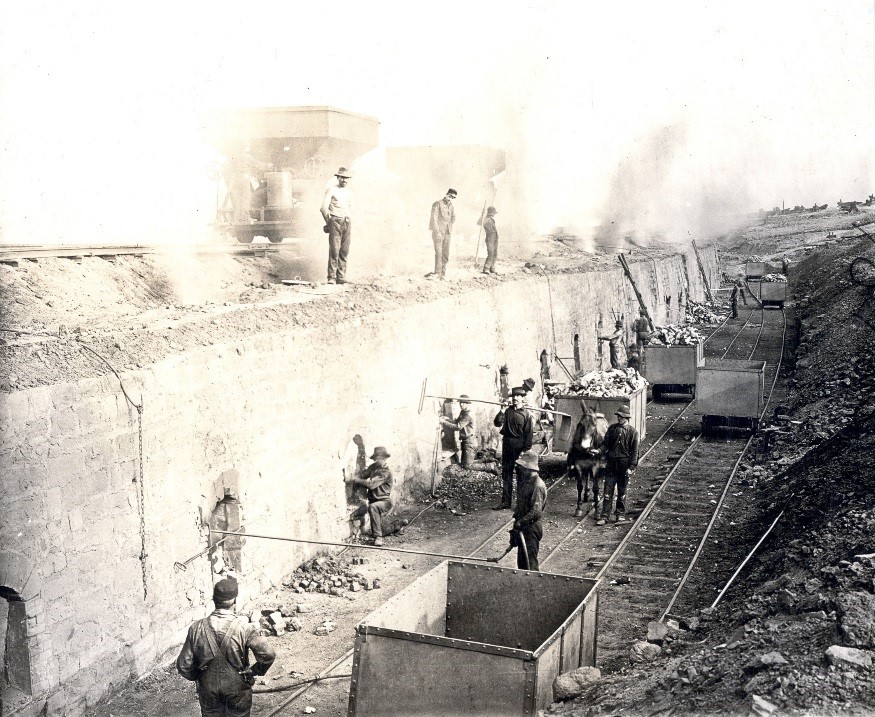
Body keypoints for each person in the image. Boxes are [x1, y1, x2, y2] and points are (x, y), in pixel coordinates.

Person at [177, 577, 276, 717]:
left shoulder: (196, 628)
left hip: (208, 689)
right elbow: (268, 654)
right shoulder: (244, 628)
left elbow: (183, 665)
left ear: (214, 600)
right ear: (234, 601)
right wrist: (254, 671)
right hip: (237, 688)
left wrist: (200, 677)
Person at [488, 452, 546, 570]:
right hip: (524, 527)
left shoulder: (537, 485)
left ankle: (531, 587)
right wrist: (516, 523)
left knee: (530, 566)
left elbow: (536, 512)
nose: (519, 470)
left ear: (528, 468)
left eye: (521, 467)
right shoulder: (526, 482)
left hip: (531, 529)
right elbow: (521, 507)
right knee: (522, 564)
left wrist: (520, 523)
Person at [597, 406, 639, 525]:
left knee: (622, 491)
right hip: (611, 465)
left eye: (622, 417)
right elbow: (605, 444)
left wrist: (631, 467)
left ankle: (620, 514)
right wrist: (599, 451)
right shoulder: (612, 429)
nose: (619, 418)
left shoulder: (633, 432)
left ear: (627, 418)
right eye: (618, 416)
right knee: (607, 491)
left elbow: (635, 451)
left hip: (623, 466)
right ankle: (604, 516)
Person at [492, 387, 533, 510]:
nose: (515, 398)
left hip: (519, 446)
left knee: (521, 475)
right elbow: (497, 423)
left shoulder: (527, 414)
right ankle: (505, 502)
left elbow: (529, 434)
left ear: (522, 398)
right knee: (506, 474)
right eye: (514, 396)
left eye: (518, 396)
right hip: (507, 445)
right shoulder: (507, 412)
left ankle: (521, 503)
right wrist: (501, 411)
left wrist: (525, 451)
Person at [567, 402, 607, 518]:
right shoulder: (581, 429)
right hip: (581, 454)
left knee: (595, 477)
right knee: (578, 475)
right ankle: (579, 504)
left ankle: (596, 505)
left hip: (594, 456)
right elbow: (575, 444)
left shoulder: (598, 434)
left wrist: (598, 450)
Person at [349, 446, 393, 546]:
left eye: (379, 459)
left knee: (373, 507)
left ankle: (378, 537)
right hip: (374, 501)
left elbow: (371, 484)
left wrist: (353, 479)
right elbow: (363, 475)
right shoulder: (374, 467)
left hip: (385, 501)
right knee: (384, 526)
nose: (377, 461)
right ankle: (398, 525)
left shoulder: (385, 472)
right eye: (375, 459)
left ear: (384, 459)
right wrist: (354, 475)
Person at [321, 167, 353, 285]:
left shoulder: (350, 192)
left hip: (347, 222)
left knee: (344, 250)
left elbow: (350, 208)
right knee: (335, 249)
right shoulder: (332, 190)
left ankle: (341, 277)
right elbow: (323, 208)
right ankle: (332, 278)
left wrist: (349, 219)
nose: (344, 180)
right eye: (342, 177)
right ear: (338, 177)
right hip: (335, 221)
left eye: (346, 178)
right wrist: (328, 223)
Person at [224, 147, 272, 224]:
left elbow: (226, 167)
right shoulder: (246, 156)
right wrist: (268, 165)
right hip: (244, 178)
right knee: (245, 198)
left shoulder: (233, 157)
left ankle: (237, 219)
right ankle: (245, 218)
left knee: (236, 199)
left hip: (235, 179)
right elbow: (257, 164)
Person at [427, 188, 457, 279]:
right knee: (439, 253)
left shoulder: (451, 206)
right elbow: (434, 219)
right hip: (438, 233)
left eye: (453, 198)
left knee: (445, 254)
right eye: (450, 196)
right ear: (447, 194)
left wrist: (449, 226)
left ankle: (443, 274)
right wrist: (437, 231)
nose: (451, 199)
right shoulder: (437, 204)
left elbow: (453, 218)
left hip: (448, 233)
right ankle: (437, 273)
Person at [439, 395, 476, 468]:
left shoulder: (468, 415)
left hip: (470, 441)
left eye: (463, 403)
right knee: (463, 464)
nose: (461, 405)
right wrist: (447, 419)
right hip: (465, 441)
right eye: (460, 403)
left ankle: (490, 466)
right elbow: (456, 422)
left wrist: (444, 422)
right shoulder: (463, 412)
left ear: (468, 403)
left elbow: (457, 427)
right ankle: (487, 460)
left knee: (467, 466)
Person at [482, 206, 499, 274]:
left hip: (495, 238)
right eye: (493, 213)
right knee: (491, 253)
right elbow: (480, 223)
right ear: (491, 213)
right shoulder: (486, 219)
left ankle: (492, 267)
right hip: (490, 239)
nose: (494, 214)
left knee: (495, 254)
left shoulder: (492, 220)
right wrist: (481, 214)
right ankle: (486, 268)